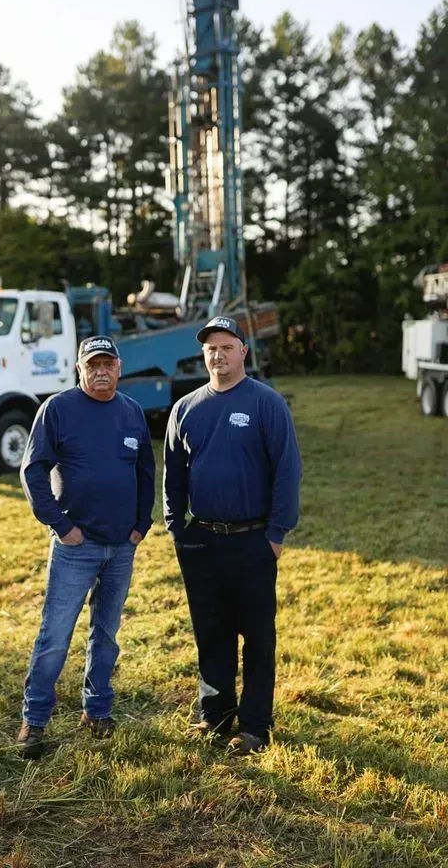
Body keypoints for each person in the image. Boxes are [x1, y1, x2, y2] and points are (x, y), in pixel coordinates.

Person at [163, 316, 301, 755]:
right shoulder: (186, 408)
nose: (218, 355)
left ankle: (255, 725)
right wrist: (176, 528)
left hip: (253, 539)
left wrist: (276, 533)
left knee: (258, 636)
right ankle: (215, 715)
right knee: (211, 631)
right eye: (210, 348)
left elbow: (287, 469)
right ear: (203, 355)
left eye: (226, 346)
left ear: (243, 351)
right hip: (202, 540)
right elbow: (174, 474)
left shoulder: (266, 403)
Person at [17, 335, 156, 758]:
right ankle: (34, 720)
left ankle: (96, 711)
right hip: (76, 546)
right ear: (79, 369)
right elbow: (32, 472)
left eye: (107, 364)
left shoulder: (131, 411)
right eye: (92, 364)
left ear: (119, 367)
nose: (100, 371)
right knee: (55, 636)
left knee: (106, 635)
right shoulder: (57, 410)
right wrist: (60, 525)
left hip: (121, 546)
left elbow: (147, 471)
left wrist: (140, 525)